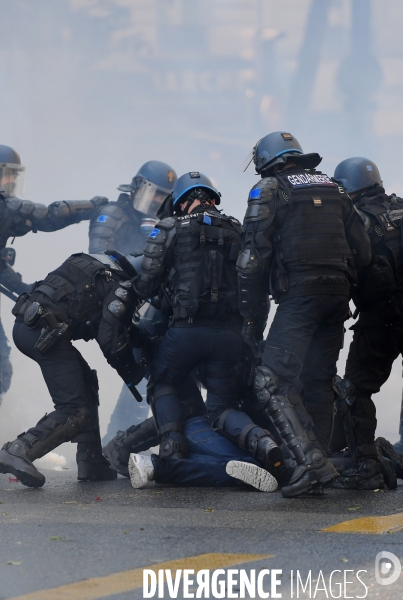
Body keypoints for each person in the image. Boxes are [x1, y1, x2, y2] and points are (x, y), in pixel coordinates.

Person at [238, 132, 372, 497]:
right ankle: (322, 463)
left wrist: (251, 322)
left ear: (267, 161)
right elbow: (362, 249)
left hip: (301, 295)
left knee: (270, 380)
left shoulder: (268, 190)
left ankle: (312, 465)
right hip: (337, 295)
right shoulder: (336, 188)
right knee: (319, 380)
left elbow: (251, 262)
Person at [133, 171, 285, 483]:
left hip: (184, 333)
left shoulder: (170, 226)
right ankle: (261, 440)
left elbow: (146, 281)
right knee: (221, 408)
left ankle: (172, 449)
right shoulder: (238, 230)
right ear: (213, 199)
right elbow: (257, 281)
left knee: (162, 384)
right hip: (230, 335)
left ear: (183, 203)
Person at [0, 251, 144, 487]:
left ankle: (92, 463)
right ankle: (19, 450)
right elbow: (111, 341)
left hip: (30, 325)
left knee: (86, 382)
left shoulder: (92, 261)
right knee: (75, 410)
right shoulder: (119, 284)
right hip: (46, 334)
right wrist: (133, 372)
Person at [88, 160, 177, 443]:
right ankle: (114, 441)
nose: (158, 202)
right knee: (137, 375)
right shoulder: (114, 214)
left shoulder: (160, 224)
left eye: (165, 196)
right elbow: (98, 257)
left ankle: (117, 441)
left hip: (144, 308)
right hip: (114, 306)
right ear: (138, 187)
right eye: (155, 194)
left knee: (144, 377)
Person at [330, 157, 403, 488]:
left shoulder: (352, 218)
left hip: (380, 319)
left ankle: (366, 467)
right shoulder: (400, 209)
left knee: (356, 390)